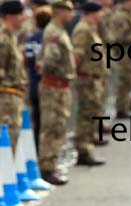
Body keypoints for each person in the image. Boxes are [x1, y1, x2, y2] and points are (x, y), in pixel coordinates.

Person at [37, 0, 75, 186]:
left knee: (59, 125)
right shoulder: (53, 31)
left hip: (60, 85)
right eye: (69, 12)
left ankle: (51, 164)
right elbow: (50, 60)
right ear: (61, 12)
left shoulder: (59, 31)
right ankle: (46, 168)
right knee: (52, 127)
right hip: (54, 86)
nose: (72, 15)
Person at [72, 0, 107, 166]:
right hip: (85, 78)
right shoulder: (83, 30)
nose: (102, 15)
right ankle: (83, 151)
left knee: (91, 114)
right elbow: (77, 56)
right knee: (86, 115)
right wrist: (78, 74)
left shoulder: (91, 28)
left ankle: (87, 147)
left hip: (93, 78)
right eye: (100, 12)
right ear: (93, 13)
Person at [0, 0, 27, 149]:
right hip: (5, 99)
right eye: (21, 14)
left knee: (12, 142)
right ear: (11, 16)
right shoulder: (2, 39)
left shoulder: (11, 37)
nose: (24, 18)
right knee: (7, 144)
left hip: (12, 97)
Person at [23, 4, 49, 149]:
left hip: (32, 81)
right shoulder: (46, 39)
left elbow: (25, 60)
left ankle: (35, 148)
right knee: (45, 122)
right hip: (44, 84)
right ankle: (40, 150)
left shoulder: (30, 38)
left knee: (36, 119)